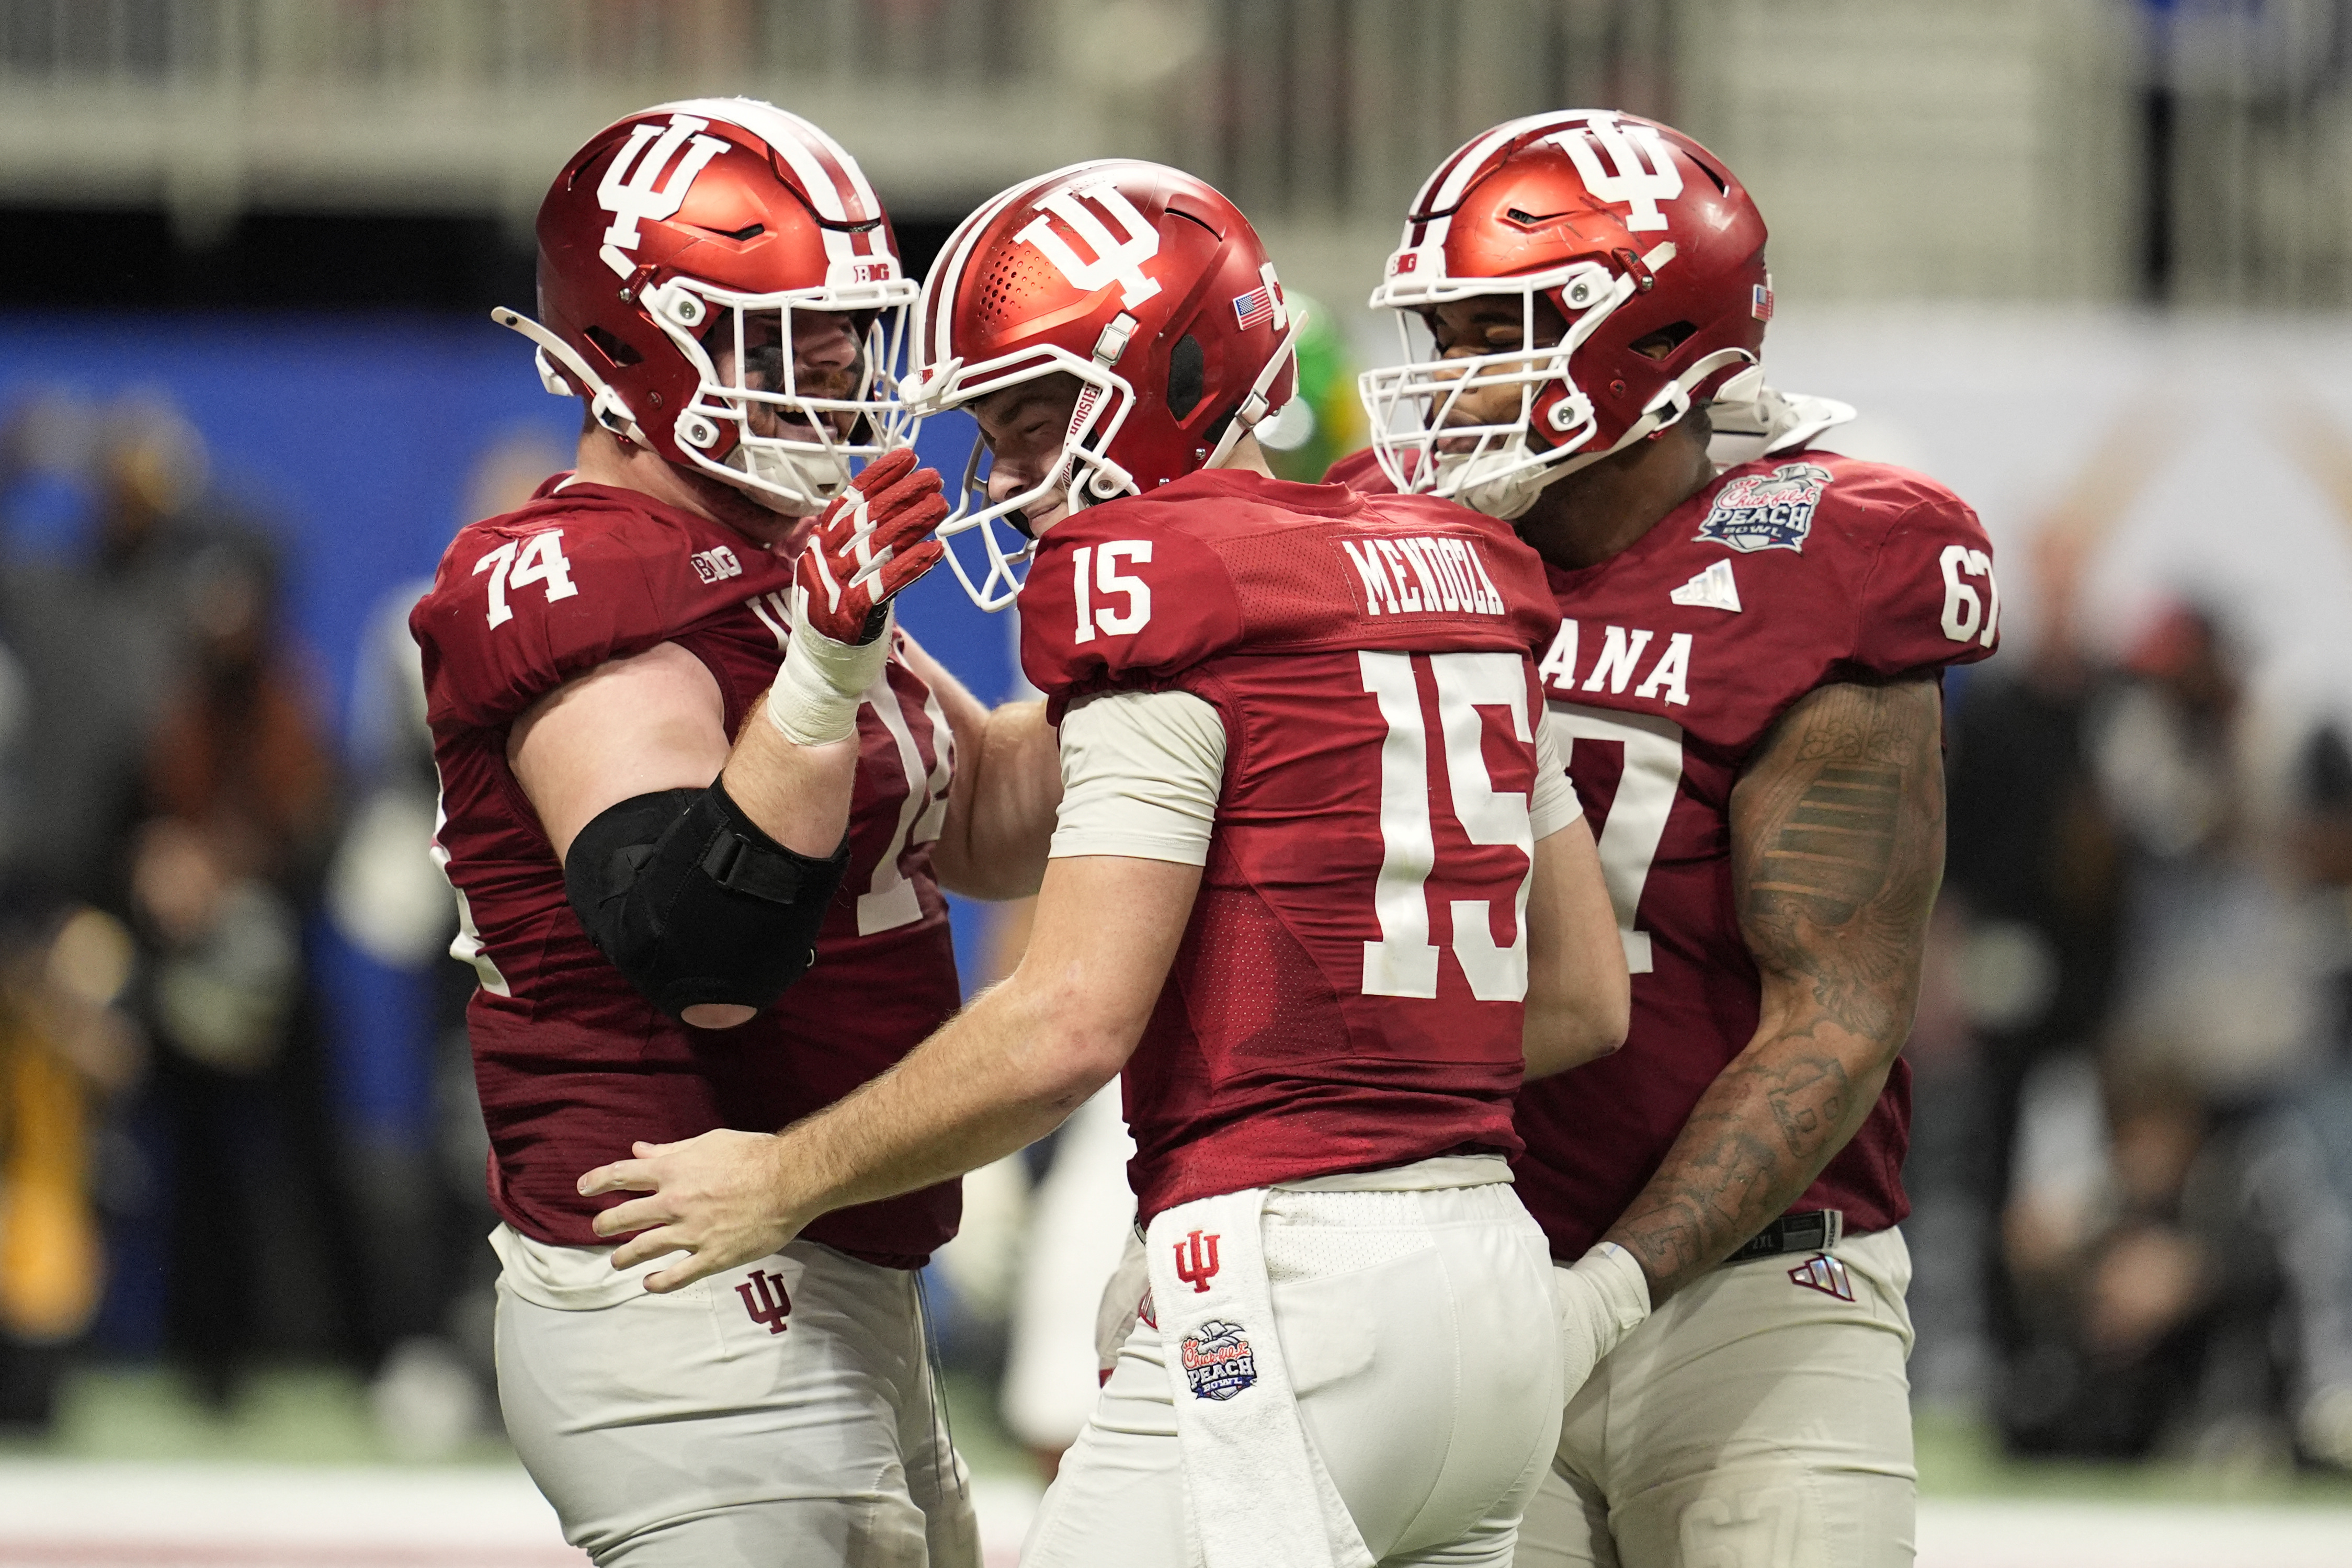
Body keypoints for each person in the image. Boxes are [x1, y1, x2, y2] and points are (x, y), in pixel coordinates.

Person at [580, 158, 1633, 1568]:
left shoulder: (1159, 587)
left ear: (1173, 375)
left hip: (1291, 1285)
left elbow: (1064, 1022)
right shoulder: (1459, 569)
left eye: (1030, 423)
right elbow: (1578, 1000)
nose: (1007, 482)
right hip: (1494, 1289)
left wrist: (782, 1178)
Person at [1333, 109, 1999, 1565]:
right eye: (1442, 333)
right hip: (1448, 1265)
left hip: (1757, 1291)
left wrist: (1618, 1284)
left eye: (1493, 329)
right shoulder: (1380, 539)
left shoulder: (1825, 556)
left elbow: (1839, 1008)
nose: (1450, 378)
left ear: (1650, 342)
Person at [411, 98, 1056, 1568]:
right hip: (678, 1281)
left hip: (824, 1254)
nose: (837, 367)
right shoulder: (576, 571)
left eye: (846, 329)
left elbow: (997, 826)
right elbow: (698, 946)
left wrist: (1164, 632)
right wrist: (826, 669)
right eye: (791, 333)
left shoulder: (770, 554)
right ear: (645, 342)